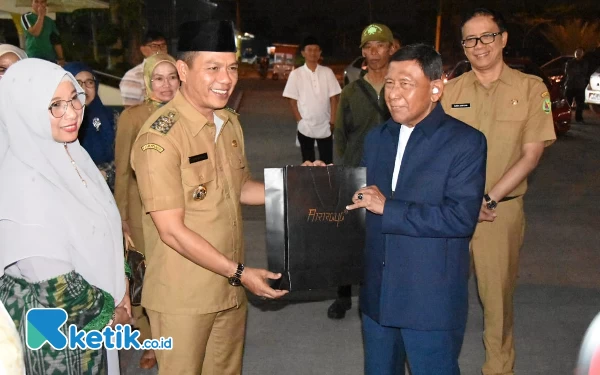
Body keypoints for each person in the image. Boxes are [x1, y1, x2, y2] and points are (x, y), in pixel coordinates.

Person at [131, 20, 288, 375]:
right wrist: (241, 273)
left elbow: (240, 188)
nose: (226, 78)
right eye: (213, 68)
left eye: (232, 67)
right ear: (184, 71)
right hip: (183, 297)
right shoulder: (160, 138)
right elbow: (170, 230)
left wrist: (297, 186)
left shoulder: (229, 122)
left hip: (230, 290)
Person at [340, 43, 486, 375]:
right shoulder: (377, 138)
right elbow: (359, 199)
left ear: (436, 88)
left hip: (429, 299)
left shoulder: (465, 142)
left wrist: (389, 209)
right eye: (389, 83)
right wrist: (317, 183)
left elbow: (461, 218)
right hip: (378, 294)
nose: (393, 93)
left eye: (406, 83)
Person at [441, 8, 556, 375]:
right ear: (463, 47)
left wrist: (487, 199)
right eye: (470, 39)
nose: (479, 46)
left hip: (499, 212)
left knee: (497, 304)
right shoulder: (449, 92)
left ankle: (498, 369)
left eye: (487, 36)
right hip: (450, 213)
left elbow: (531, 154)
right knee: (442, 298)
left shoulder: (530, 88)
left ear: (503, 39)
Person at [0, 58, 131, 374]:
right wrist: (113, 313)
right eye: (54, 105)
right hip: (56, 341)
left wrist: (122, 283)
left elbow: (105, 225)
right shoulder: (22, 181)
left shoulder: (69, 155)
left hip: (97, 321)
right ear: (24, 111)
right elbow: (56, 287)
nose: (72, 112)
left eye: (74, 98)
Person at [114, 52, 179, 370]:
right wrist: (121, 215)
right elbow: (123, 172)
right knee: (145, 277)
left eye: (172, 78)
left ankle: (180, 334)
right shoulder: (132, 117)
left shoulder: (188, 114)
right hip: (141, 211)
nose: (166, 85)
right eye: (158, 78)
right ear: (147, 81)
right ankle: (151, 340)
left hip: (180, 209)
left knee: (176, 274)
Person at [329, 23, 396, 320]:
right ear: (363, 53)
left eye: (380, 45)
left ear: (391, 48)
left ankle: (385, 293)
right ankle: (343, 296)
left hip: (394, 173)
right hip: (357, 171)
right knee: (349, 237)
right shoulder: (351, 92)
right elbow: (340, 135)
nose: (374, 51)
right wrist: (341, 172)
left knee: (388, 234)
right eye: (368, 47)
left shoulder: (403, 87)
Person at [283, 36, 341, 164]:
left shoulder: (327, 72)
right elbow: (292, 101)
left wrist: (332, 121)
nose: (313, 53)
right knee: (308, 164)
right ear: (303, 53)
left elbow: (334, 98)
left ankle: (326, 184)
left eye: (316, 50)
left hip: (325, 125)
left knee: (327, 163)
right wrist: (300, 120)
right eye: (309, 50)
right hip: (306, 126)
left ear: (320, 53)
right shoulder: (296, 74)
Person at [64, 62, 117, 191]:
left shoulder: (111, 117)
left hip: (108, 190)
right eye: (77, 83)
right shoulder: (59, 121)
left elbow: (123, 158)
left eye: (89, 82)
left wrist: (105, 174)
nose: (84, 89)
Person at [120, 30, 168, 107]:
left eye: (163, 46)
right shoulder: (133, 76)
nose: (160, 50)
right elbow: (130, 113)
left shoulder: (174, 72)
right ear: (143, 50)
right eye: (154, 46)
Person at [20, 0, 64, 65]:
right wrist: (41, 15)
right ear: (32, 3)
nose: (39, 4)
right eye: (36, 1)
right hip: (33, 56)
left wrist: (61, 58)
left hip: (50, 57)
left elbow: (56, 41)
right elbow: (35, 33)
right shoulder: (26, 17)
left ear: (46, 4)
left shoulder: (50, 21)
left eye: (42, 2)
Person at [564, 48, 589, 123]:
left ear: (582, 54)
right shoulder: (569, 62)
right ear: (574, 53)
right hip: (570, 85)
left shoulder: (584, 63)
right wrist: (577, 72)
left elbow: (584, 72)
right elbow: (568, 72)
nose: (578, 54)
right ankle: (566, 118)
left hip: (579, 86)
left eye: (579, 53)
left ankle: (579, 118)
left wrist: (574, 71)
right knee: (567, 103)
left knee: (580, 104)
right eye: (577, 53)